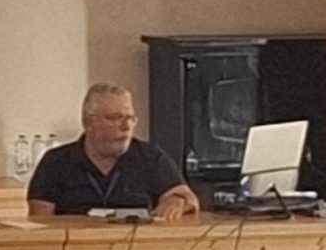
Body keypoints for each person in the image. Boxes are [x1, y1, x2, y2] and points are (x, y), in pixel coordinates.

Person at [25, 83, 198, 221]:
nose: (126, 126)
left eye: (130, 118)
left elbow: (190, 199)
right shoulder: (56, 162)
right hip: (78, 248)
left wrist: (178, 199)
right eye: (115, 118)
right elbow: (41, 224)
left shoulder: (150, 157)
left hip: (138, 248)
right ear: (88, 122)